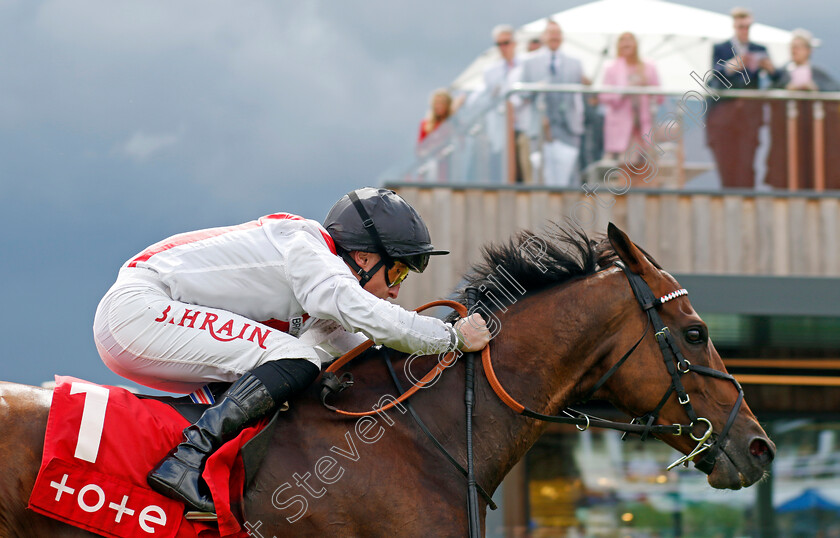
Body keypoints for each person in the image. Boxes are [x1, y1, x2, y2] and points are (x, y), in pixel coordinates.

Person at [92, 187, 491, 513]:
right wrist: (451, 337)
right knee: (295, 358)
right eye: (398, 271)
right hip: (138, 309)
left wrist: (441, 357)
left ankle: (210, 460)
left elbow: (358, 348)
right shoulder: (309, 250)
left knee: (301, 362)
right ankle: (187, 461)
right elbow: (370, 316)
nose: (397, 289)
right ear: (365, 257)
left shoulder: (321, 285)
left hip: (146, 318)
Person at [706, 7, 776, 188]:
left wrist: (770, 68)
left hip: (750, 114)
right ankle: (728, 194)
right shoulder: (721, 49)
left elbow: (775, 78)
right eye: (741, 26)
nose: (744, 30)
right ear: (734, 26)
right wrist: (731, 67)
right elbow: (714, 77)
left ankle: (747, 198)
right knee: (726, 159)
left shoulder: (759, 49)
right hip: (725, 113)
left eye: (747, 27)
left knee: (747, 159)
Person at [765, 29, 840, 189]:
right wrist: (787, 89)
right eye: (792, 47)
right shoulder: (783, 74)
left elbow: (834, 92)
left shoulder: (818, 73)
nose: (795, 51)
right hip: (788, 134)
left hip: (816, 133)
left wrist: (814, 89)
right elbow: (769, 95)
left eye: (799, 47)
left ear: (808, 50)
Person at [520, 19, 585, 187]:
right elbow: (522, 94)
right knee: (540, 177)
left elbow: (580, 97)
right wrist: (536, 88)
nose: (554, 37)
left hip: (567, 128)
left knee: (567, 178)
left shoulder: (575, 63)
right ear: (543, 37)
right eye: (551, 33)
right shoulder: (529, 62)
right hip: (539, 128)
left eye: (557, 33)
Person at [599, 32, 662, 161]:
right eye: (622, 40)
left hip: (642, 126)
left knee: (644, 168)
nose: (626, 43)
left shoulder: (648, 67)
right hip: (620, 127)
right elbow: (604, 96)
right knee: (623, 166)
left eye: (630, 40)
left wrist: (646, 87)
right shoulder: (611, 68)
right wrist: (623, 91)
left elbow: (660, 97)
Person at [483, 24, 532, 184]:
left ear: (514, 43)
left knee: (527, 171)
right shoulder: (490, 72)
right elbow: (489, 100)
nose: (503, 47)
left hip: (525, 126)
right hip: (502, 130)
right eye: (499, 44)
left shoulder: (527, 65)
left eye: (506, 42)